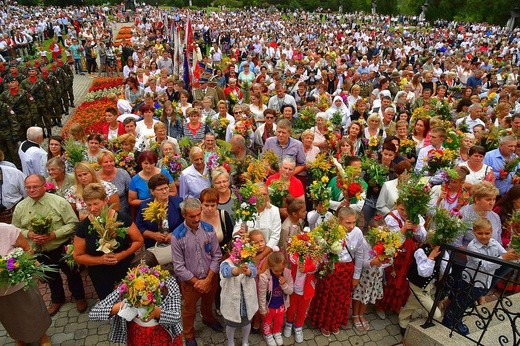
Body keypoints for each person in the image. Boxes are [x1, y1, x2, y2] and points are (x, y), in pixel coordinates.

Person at [12, 174, 86, 316]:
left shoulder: (59, 202)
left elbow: (73, 224)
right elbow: (15, 229)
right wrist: (29, 234)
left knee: (72, 273)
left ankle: (79, 297)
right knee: (50, 276)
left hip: (61, 246)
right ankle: (57, 299)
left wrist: (54, 234)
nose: (31, 190)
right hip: (39, 249)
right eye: (28, 187)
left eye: (35, 186)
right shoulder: (21, 207)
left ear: (44, 186)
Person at [442, 219, 519, 335]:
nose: (484, 236)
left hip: (484, 283)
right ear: (474, 233)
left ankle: (456, 321)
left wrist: (515, 255)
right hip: (470, 281)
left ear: (491, 232)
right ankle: (449, 323)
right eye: (480, 233)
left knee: (466, 304)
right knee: (459, 303)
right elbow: (484, 266)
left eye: (487, 233)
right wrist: (504, 258)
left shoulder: (494, 242)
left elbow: (505, 254)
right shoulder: (473, 247)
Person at [73, 183, 143, 300]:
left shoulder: (122, 218)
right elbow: (78, 255)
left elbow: (138, 240)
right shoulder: (84, 226)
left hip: (125, 267)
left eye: (96, 204)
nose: (92, 208)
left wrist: (121, 255)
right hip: (100, 274)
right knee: (111, 303)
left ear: (105, 200)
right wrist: (100, 260)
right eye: (88, 204)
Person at [89, 261, 183, 345]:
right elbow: (94, 313)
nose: (144, 286)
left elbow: (176, 316)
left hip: (164, 335)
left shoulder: (169, 283)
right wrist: (119, 307)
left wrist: (158, 312)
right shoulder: (127, 286)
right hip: (138, 335)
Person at [171, 198, 223, 346]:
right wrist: (197, 282)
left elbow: (217, 255)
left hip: (210, 277)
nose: (196, 219)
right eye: (192, 216)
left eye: (198, 214)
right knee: (189, 310)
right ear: (183, 215)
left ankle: (208, 318)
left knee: (208, 302)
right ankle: (188, 334)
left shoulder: (208, 229)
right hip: (190, 283)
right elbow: (178, 266)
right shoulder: (177, 236)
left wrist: (208, 279)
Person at [307, 207, 364, 336]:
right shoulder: (329, 230)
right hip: (330, 269)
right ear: (339, 220)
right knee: (327, 297)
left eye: (354, 222)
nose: (351, 226)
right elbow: (319, 248)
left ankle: (336, 322)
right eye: (348, 223)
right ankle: (324, 323)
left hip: (346, 270)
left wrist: (356, 275)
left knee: (341, 298)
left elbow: (359, 255)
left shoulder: (358, 233)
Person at [0, 223, 51, 346]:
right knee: (9, 316)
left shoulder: (6, 229)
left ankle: (42, 335)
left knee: (32, 310)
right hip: (1, 291)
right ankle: (19, 338)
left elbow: (28, 249)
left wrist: (15, 268)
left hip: (20, 283)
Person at [375, 199, 427, 318]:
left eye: (407, 210)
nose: (404, 213)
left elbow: (423, 239)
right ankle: (381, 306)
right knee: (389, 280)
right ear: (396, 206)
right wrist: (403, 229)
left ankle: (395, 306)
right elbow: (391, 240)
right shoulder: (391, 218)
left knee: (403, 281)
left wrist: (417, 228)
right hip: (394, 255)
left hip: (409, 255)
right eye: (401, 209)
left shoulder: (417, 217)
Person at [399, 242, 448, 336]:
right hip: (417, 284)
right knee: (436, 314)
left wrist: (443, 256)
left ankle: (403, 320)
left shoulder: (443, 251)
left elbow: (446, 271)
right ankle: (407, 319)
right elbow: (423, 272)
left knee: (414, 301)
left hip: (428, 285)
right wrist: (431, 258)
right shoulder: (421, 251)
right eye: (435, 242)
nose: (437, 246)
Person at [220, 239, 258, 346]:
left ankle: (245, 341)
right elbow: (225, 272)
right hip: (231, 302)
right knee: (231, 325)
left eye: (241, 251)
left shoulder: (248, 262)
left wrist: (248, 271)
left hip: (246, 302)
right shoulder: (225, 263)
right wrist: (237, 271)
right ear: (229, 251)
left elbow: (254, 272)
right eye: (235, 251)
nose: (238, 254)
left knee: (246, 323)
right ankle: (230, 341)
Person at [233, 183, 282, 265]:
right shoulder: (245, 208)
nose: (262, 197)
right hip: (246, 254)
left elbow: (275, 237)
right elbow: (237, 232)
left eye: (264, 194)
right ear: (253, 196)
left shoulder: (274, 211)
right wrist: (238, 234)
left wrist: (261, 256)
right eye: (258, 194)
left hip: (266, 255)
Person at [283, 230, 318, 343]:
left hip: (306, 290)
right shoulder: (294, 254)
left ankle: (298, 326)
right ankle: (288, 323)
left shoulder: (314, 256)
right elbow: (292, 257)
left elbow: (315, 266)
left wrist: (306, 268)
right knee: (291, 308)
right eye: (302, 245)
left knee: (302, 310)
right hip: (293, 289)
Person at [135, 173, 184, 249]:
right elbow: (139, 227)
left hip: (176, 244)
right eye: (160, 189)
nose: (164, 191)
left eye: (166, 188)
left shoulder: (179, 202)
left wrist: (174, 234)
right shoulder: (144, 206)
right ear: (152, 191)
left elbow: (185, 223)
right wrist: (153, 235)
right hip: (153, 246)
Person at [258, 251, 294, 346]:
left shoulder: (287, 273)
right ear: (270, 267)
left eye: (281, 269)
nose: (279, 273)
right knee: (267, 321)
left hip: (281, 305)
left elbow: (290, 291)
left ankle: (276, 332)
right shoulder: (264, 277)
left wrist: (284, 284)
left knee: (279, 321)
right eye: (276, 271)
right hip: (269, 306)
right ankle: (267, 334)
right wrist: (262, 308)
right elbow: (261, 294)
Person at [97, 150, 132, 215]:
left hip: (123, 212)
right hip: (101, 212)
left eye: (111, 161)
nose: (109, 164)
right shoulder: (96, 177)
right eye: (105, 162)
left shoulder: (123, 174)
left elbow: (130, 193)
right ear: (100, 163)